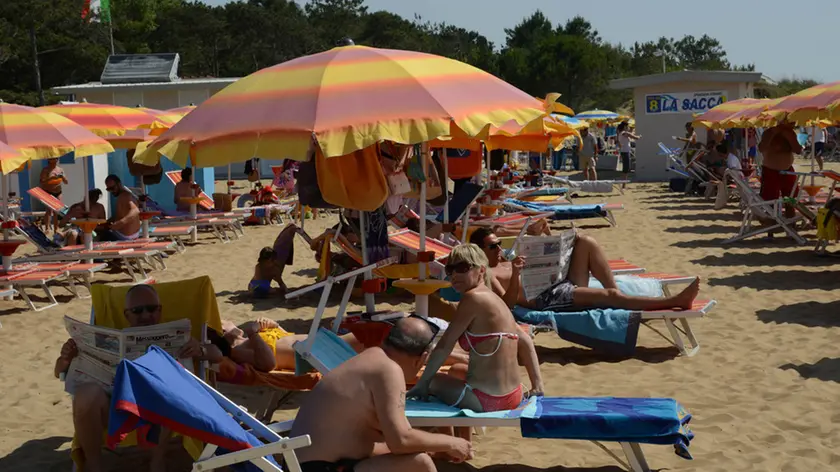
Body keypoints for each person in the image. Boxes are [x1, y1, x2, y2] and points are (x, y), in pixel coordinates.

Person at [55, 284, 217, 472]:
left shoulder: (177, 334)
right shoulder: (111, 339)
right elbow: (59, 372)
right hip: (117, 409)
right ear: (127, 315)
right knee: (85, 394)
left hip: (163, 408)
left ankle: (157, 459)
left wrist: (201, 349)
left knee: (165, 385)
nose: (146, 315)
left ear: (160, 310)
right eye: (137, 311)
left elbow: (218, 354)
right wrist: (66, 358)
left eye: (151, 309)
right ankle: (94, 465)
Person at [290, 317, 473, 472]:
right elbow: (401, 441)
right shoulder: (388, 370)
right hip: (319, 468)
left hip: (302, 463)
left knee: (417, 453)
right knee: (420, 464)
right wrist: (451, 443)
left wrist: (434, 448)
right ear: (423, 358)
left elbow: (387, 440)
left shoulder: (370, 358)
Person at [408, 245, 543, 416]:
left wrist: (422, 384)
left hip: (486, 401)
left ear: (481, 270)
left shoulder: (472, 298)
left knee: (432, 381)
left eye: (462, 268)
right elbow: (525, 340)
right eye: (450, 269)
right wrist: (537, 386)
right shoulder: (496, 300)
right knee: (457, 370)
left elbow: (444, 346)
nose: (455, 275)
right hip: (514, 396)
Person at [468, 227, 700, 313]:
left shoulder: (507, 259)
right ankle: (675, 302)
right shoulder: (489, 274)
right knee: (610, 297)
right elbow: (507, 305)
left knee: (585, 241)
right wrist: (518, 274)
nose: (499, 248)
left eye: (499, 243)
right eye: (492, 246)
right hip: (548, 297)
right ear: (480, 250)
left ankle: (616, 296)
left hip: (555, 282)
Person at [758, 123, 802, 219]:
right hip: (770, 170)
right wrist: (773, 134)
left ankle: (790, 223)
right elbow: (761, 148)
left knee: (790, 199)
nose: (793, 124)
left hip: (787, 170)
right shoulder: (769, 132)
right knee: (770, 201)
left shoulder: (791, 133)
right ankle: (771, 226)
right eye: (791, 122)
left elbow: (798, 150)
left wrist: (790, 137)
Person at [100, 174, 141, 241]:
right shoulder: (124, 196)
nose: (112, 191)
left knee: (100, 236)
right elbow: (121, 215)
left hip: (125, 236)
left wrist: (121, 223)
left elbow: (135, 210)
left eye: (112, 188)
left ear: (119, 184)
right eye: (109, 189)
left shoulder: (125, 195)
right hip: (133, 234)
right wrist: (108, 222)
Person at [39, 158, 68, 232]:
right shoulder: (45, 170)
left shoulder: (60, 170)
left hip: (58, 191)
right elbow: (42, 182)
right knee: (49, 210)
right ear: (49, 160)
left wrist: (62, 177)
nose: (55, 160)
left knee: (56, 210)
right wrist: (51, 178)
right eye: (52, 159)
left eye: (56, 158)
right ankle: (47, 228)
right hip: (48, 191)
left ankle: (56, 228)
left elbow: (66, 182)